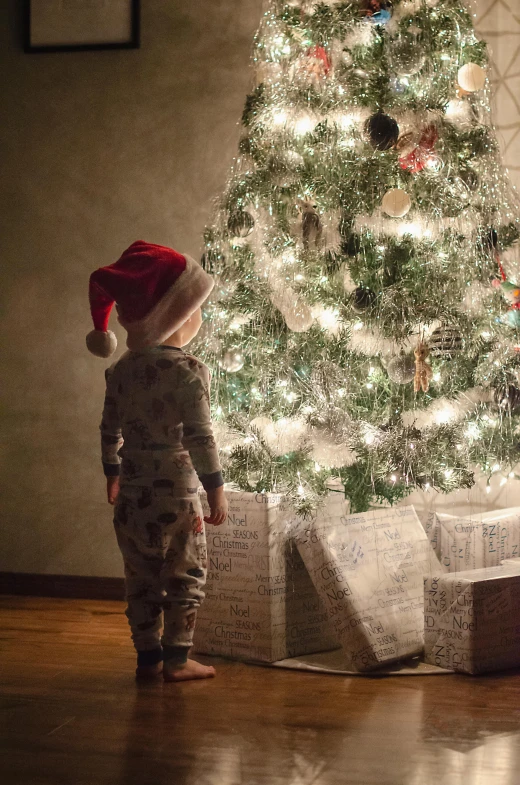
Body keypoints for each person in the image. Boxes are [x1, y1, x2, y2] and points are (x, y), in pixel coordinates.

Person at [86, 240, 228, 682]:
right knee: (186, 574)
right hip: (179, 498)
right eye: (195, 312)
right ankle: (178, 661)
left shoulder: (120, 371)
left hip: (132, 495)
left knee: (140, 576)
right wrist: (215, 488)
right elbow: (201, 436)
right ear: (176, 320)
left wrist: (112, 472)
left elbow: (109, 429)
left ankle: (146, 657)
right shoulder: (190, 371)